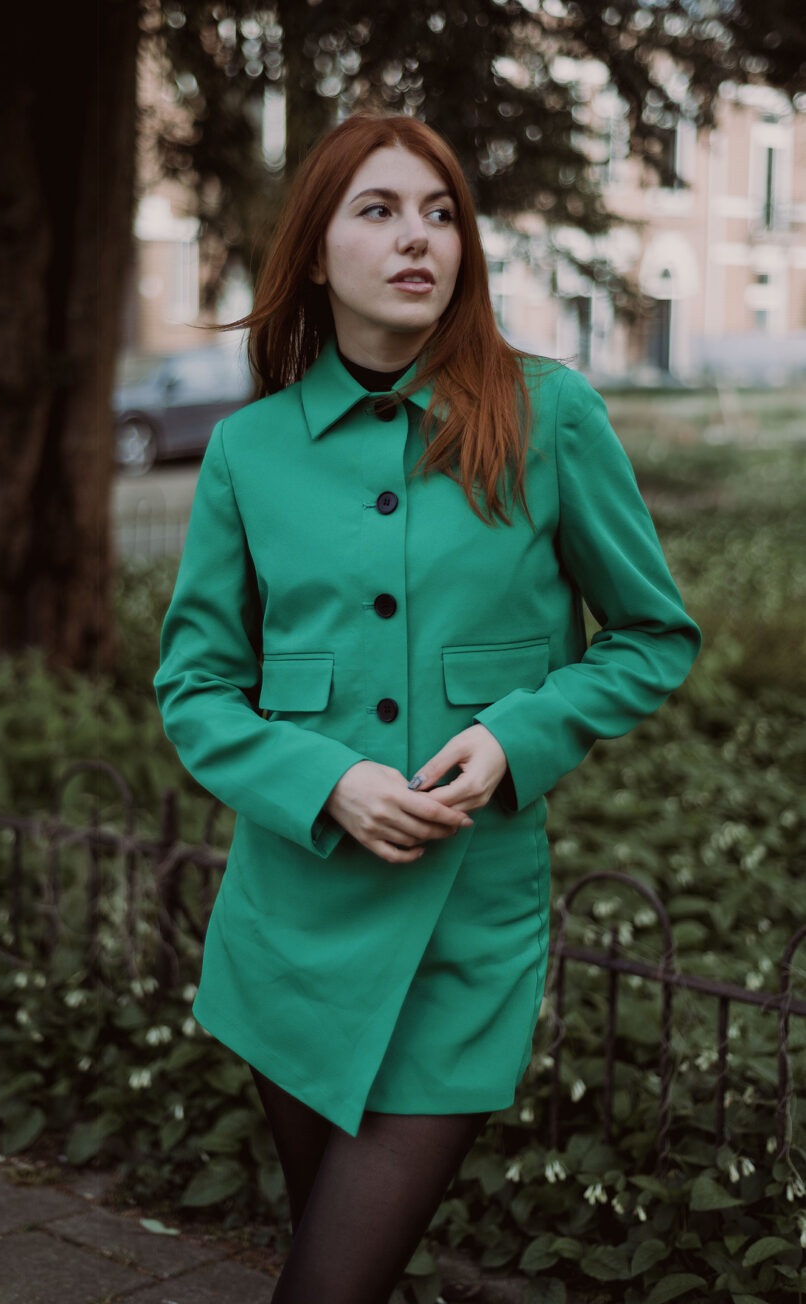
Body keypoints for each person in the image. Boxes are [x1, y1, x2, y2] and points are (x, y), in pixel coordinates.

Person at [153, 112, 701, 1304]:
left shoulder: (548, 414)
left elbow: (655, 636)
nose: (420, 239)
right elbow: (194, 689)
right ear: (313, 253)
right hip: (291, 929)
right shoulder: (249, 453)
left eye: (441, 212)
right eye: (381, 210)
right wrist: (325, 780)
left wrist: (517, 735)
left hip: (466, 934)